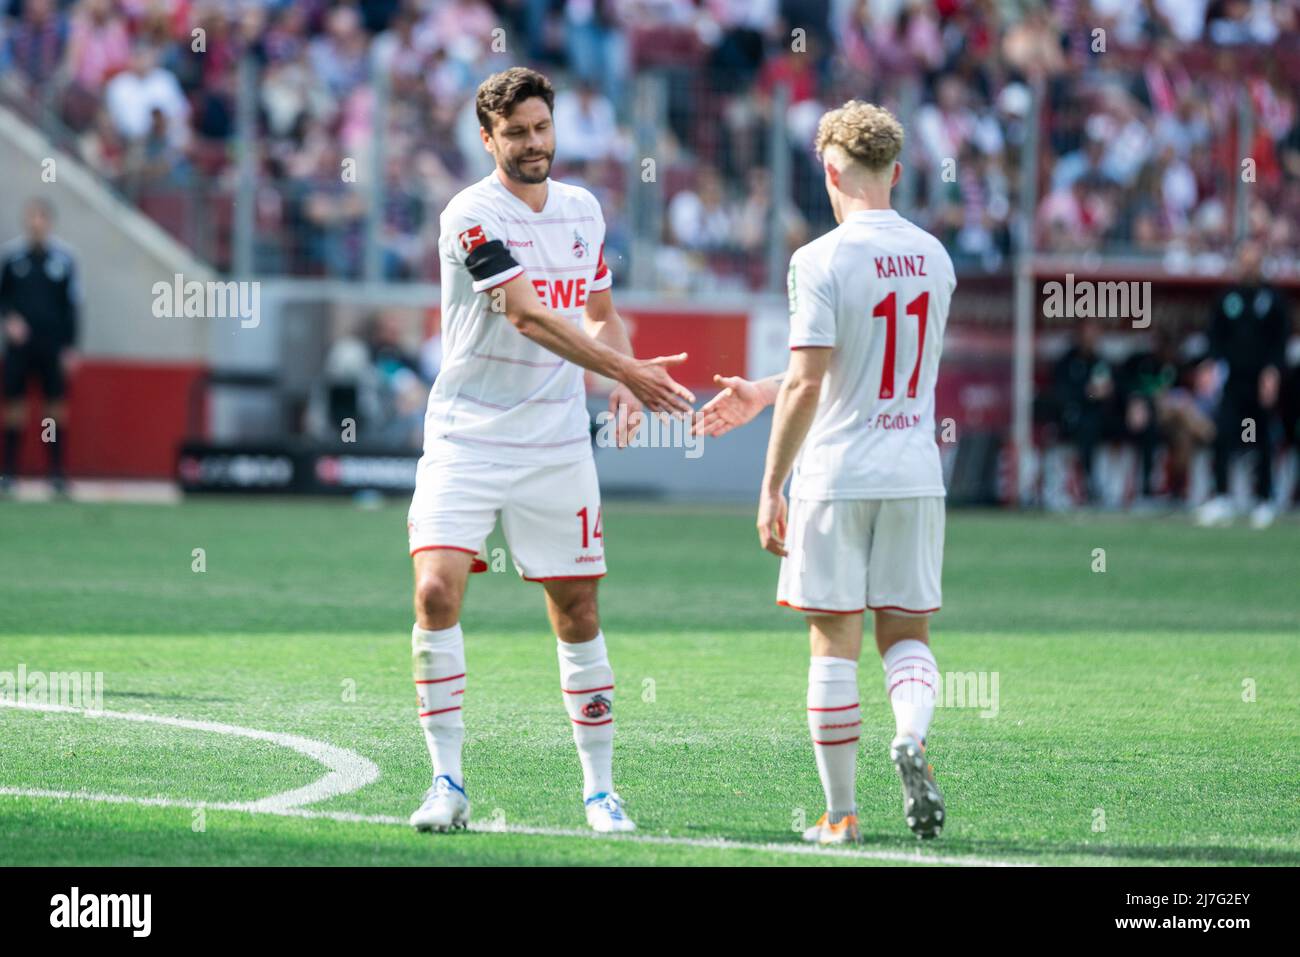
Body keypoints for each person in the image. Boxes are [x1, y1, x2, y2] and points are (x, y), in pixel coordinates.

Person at [405, 68, 694, 834]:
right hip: (466, 434)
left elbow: (599, 313)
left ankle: (600, 790)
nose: (534, 144)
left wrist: (621, 381)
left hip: (557, 442)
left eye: (542, 129)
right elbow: (528, 317)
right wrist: (631, 372)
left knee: (578, 609)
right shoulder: (469, 213)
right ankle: (446, 781)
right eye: (517, 133)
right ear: (487, 139)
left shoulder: (583, 210)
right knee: (435, 592)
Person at [694, 101, 955, 844]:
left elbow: (816, 382)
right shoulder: (935, 257)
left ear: (830, 171)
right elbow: (856, 366)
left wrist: (771, 483)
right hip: (912, 470)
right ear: (896, 172)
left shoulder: (819, 259)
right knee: (907, 630)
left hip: (837, 474)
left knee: (832, 638)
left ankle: (841, 815)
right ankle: (910, 734)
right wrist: (761, 389)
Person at [1196, 239, 1292, 528]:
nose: (1248, 262)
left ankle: (1264, 499)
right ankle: (1222, 497)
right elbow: (1216, 337)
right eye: (1244, 257)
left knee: (1259, 438)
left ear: (1261, 261)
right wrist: (1211, 365)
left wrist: (1273, 372)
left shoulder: (1273, 299)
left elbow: (1280, 341)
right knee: (1224, 435)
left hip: (1260, 381)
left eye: (1253, 257)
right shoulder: (1228, 298)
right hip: (1234, 381)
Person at [1, 199, 80, 495]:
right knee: (14, 407)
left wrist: (70, 346)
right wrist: (9, 321)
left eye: (41, 218)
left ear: (49, 222)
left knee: (54, 409)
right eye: (31, 217)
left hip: (52, 346)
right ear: (26, 221)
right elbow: (3, 298)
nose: (36, 223)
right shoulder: (12, 258)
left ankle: (56, 473)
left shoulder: (64, 259)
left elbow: (72, 305)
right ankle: (8, 472)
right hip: (20, 348)